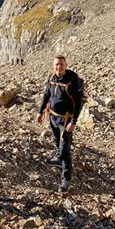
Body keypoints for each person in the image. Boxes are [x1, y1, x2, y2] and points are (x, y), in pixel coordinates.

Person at [36, 55, 83, 192]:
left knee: (65, 149)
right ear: (53, 65)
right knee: (57, 141)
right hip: (53, 117)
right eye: (57, 64)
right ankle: (58, 159)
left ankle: (66, 179)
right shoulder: (51, 79)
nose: (59, 67)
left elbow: (79, 102)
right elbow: (46, 95)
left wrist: (74, 121)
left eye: (61, 64)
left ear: (66, 65)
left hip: (66, 120)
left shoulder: (72, 80)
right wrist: (40, 112)